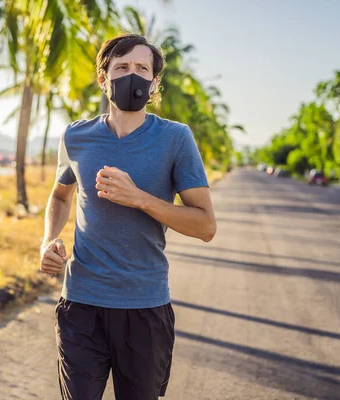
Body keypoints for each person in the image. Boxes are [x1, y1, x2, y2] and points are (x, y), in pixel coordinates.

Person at [40, 33, 217, 400]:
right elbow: (60, 195)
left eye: (141, 68)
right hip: (80, 305)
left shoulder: (175, 139)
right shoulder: (76, 136)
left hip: (145, 308)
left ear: (154, 84)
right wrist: (48, 240)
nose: (131, 75)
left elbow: (205, 225)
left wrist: (139, 199)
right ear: (103, 79)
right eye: (121, 67)